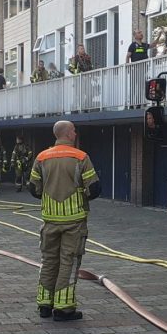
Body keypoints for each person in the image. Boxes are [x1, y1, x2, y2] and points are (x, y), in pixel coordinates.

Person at [28, 120, 101, 321]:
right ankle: (64, 308)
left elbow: (34, 189)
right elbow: (94, 189)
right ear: (68, 134)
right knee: (69, 262)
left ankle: (44, 304)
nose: (76, 133)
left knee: (49, 261)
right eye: (74, 130)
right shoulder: (80, 157)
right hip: (74, 221)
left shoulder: (42, 157)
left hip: (49, 220)